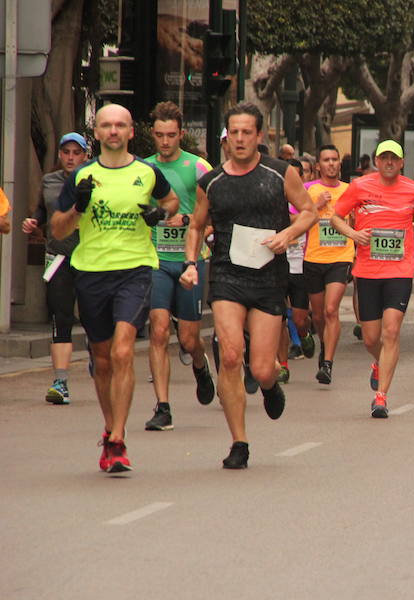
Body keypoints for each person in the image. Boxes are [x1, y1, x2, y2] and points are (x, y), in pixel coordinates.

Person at [180, 102, 317, 469]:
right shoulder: (211, 182)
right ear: (227, 138)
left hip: (269, 278)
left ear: (259, 136)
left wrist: (287, 234)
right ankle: (239, 442)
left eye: (247, 133)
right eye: (234, 133)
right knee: (229, 355)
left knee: (261, 368)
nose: (240, 139)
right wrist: (191, 263)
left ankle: (271, 385)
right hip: (227, 276)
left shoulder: (280, 173)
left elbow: (309, 211)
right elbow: (196, 225)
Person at [51, 104, 179, 473]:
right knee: (102, 358)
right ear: (98, 132)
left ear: (129, 132)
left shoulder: (147, 172)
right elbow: (58, 229)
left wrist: (161, 214)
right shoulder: (83, 176)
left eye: (120, 125)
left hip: (135, 269)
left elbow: (170, 200)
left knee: (124, 350)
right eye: (106, 125)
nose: (113, 131)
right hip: (91, 272)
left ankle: (118, 437)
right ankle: (109, 426)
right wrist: (78, 206)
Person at [330, 140, 414, 418]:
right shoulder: (360, 187)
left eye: (394, 158)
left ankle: (381, 397)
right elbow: (336, 218)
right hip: (366, 271)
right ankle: (378, 361)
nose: (389, 162)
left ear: (402, 163)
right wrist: (353, 235)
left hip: (399, 271)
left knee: (391, 331)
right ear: (377, 161)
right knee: (370, 338)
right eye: (384, 157)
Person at [143, 101, 216, 431]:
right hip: (155, 260)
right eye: (159, 135)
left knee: (188, 339)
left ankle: (200, 366)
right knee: (158, 331)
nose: (165, 141)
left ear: (181, 134)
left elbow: (216, 211)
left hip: (191, 262)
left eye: (171, 135)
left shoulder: (199, 167)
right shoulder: (143, 169)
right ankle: (163, 407)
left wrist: (188, 219)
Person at [21, 133, 89, 404]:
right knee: (61, 317)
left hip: (90, 258)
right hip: (59, 257)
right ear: (60, 155)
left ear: (85, 155)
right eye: (66, 152)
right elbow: (41, 211)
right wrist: (33, 222)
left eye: (76, 152)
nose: (71, 157)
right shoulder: (49, 181)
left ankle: (99, 359)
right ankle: (60, 381)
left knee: (95, 316)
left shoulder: (93, 179)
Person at [303, 144, 355, 385]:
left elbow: (357, 220)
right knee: (318, 315)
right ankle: (325, 344)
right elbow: (295, 220)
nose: (331, 163)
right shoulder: (308, 190)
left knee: (332, 310)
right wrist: (316, 207)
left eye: (335, 159)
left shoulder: (349, 190)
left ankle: (328, 364)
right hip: (313, 257)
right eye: (326, 160)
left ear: (339, 164)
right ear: (318, 166)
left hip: (340, 257)